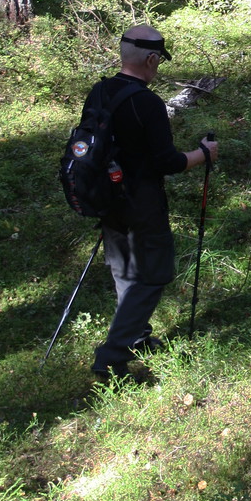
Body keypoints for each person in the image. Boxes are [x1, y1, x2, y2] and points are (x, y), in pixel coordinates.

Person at [92, 24, 219, 382]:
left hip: (106, 197)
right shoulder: (146, 102)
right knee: (153, 274)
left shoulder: (100, 91)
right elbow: (168, 163)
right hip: (142, 201)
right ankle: (110, 357)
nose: (158, 66)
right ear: (150, 58)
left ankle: (136, 336)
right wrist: (204, 154)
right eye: (159, 60)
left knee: (124, 270)